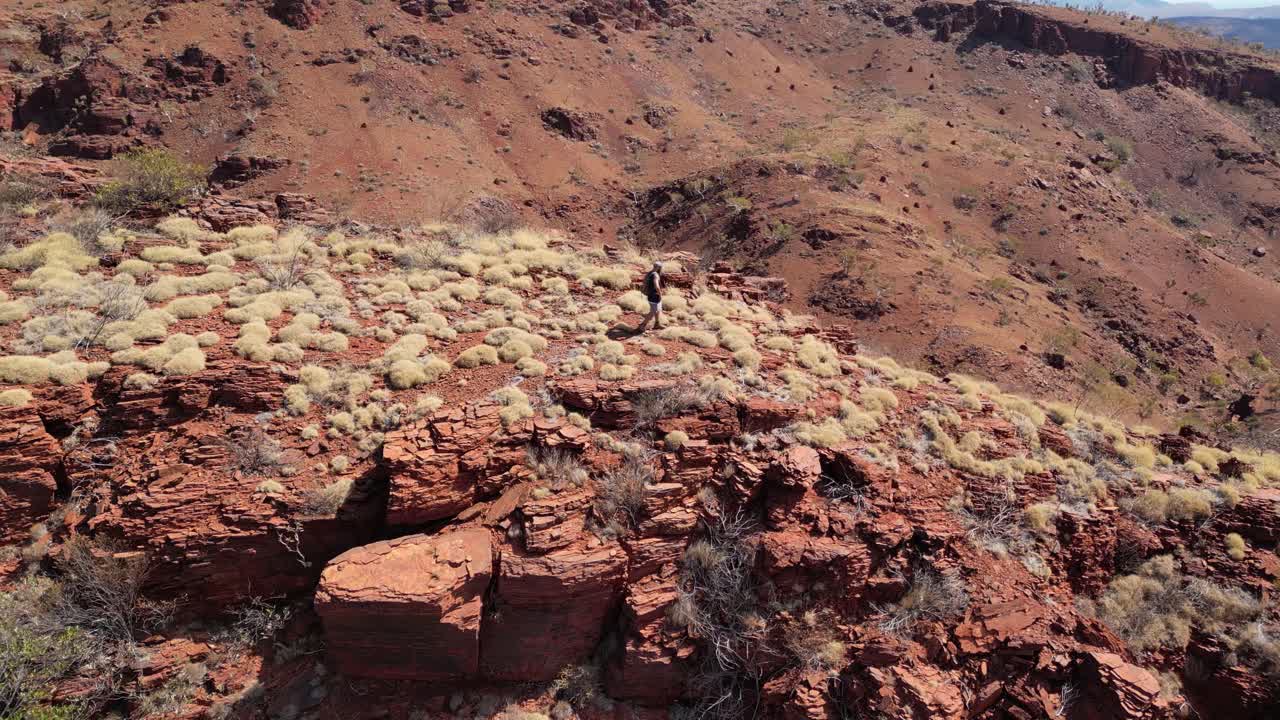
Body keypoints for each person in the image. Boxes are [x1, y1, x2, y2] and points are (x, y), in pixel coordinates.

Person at [638, 261, 663, 332]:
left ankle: (657, 324)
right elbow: (656, 286)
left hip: (650, 294)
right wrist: (660, 294)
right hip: (654, 295)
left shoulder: (649, 273)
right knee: (652, 312)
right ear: (659, 268)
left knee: (657, 310)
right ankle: (642, 325)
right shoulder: (655, 275)